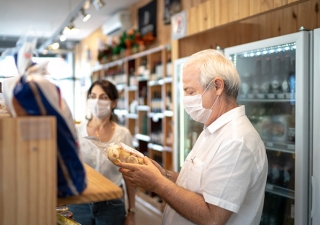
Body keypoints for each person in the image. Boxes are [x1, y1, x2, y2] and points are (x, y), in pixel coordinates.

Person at [118, 49, 268, 225]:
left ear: (218, 86)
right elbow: (197, 185)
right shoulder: (212, 128)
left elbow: (212, 217)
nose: (186, 99)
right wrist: (163, 174)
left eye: (190, 92)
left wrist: (157, 183)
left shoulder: (236, 141)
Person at [68, 80, 136, 225]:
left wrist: (131, 211)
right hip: (79, 202)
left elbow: (130, 175)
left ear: (114, 103)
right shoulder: (76, 131)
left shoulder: (122, 134)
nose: (96, 101)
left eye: (103, 97)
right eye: (93, 96)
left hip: (111, 205)